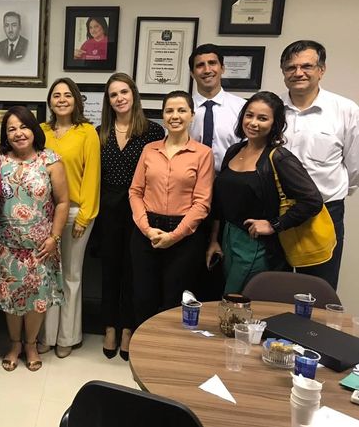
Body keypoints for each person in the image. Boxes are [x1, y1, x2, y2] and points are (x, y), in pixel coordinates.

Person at [207, 92, 323, 293]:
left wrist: (274, 224)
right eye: (249, 115)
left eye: (262, 118)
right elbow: (219, 202)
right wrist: (213, 240)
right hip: (228, 238)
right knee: (224, 296)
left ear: (274, 124)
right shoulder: (234, 150)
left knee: (236, 300)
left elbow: (312, 201)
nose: (253, 123)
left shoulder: (280, 158)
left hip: (256, 246)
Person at [0, 106, 70, 372]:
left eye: (23, 126)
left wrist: (54, 237)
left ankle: (32, 345)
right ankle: (14, 344)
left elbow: (62, 202)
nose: (18, 133)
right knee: (10, 297)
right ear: (5, 135)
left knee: (37, 298)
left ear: (33, 129)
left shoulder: (50, 160)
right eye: (11, 129)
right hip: (6, 245)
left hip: (41, 246)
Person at [129, 91, 214, 326]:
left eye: (181, 110)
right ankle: (144, 346)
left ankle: (170, 347)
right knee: (143, 297)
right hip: (147, 230)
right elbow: (135, 192)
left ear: (192, 116)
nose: (175, 116)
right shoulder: (150, 150)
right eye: (169, 111)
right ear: (163, 116)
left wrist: (174, 236)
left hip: (184, 235)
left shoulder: (203, 153)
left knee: (175, 300)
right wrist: (147, 229)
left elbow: (202, 203)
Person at [95, 73, 164, 361]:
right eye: (113, 94)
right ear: (108, 101)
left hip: (141, 209)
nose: (119, 98)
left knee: (133, 271)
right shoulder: (100, 132)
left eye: (124, 92)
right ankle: (109, 327)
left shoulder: (153, 131)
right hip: (108, 209)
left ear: (134, 94)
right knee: (109, 269)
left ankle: (128, 328)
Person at [280, 40, 358, 290]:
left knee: (317, 290)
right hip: (277, 212)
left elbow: (355, 166)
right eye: (291, 67)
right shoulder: (273, 108)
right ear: (283, 72)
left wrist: (330, 193)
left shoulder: (345, 110)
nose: (298, 73)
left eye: (306, 66)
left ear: (321, 70)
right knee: (273, 288)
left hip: (323, 212)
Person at [38, 78, 100, 358]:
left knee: (71, 276)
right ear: (50, 101)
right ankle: (46, 335)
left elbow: (92, 177)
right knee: (47, 276)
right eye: (56, 95)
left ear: (76, 100)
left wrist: (85, 216)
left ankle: (67, 336)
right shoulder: (41, 131)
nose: (61, 100)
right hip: (44, 214)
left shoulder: (87, 132)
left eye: (67, 95)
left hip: (76, 213)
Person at [188, 44, 246, 172]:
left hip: (230, 178)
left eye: (212, 63)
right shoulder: (182, 109)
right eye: (200, 65)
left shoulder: (242, 108)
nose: (207, 70)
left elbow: (250, 149)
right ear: (192, 73)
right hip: (190, 179)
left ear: (222, 68)